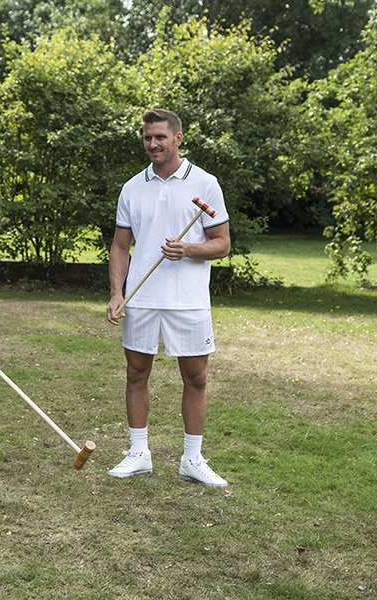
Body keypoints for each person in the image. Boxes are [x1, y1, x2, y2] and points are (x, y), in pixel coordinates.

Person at [106, 109, 231, 487]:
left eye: (160, 137)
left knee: (196, 378)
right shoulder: (132, 187)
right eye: (148, 137)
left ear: (178, 138)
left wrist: (188, 250)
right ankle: (138, 453)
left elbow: (222, 244)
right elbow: (120, 246)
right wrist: (116, 293)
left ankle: (192, 459)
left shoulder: (205, 183)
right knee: (135, 374)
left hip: (188, 299)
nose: (153, 144)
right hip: (141, 297)